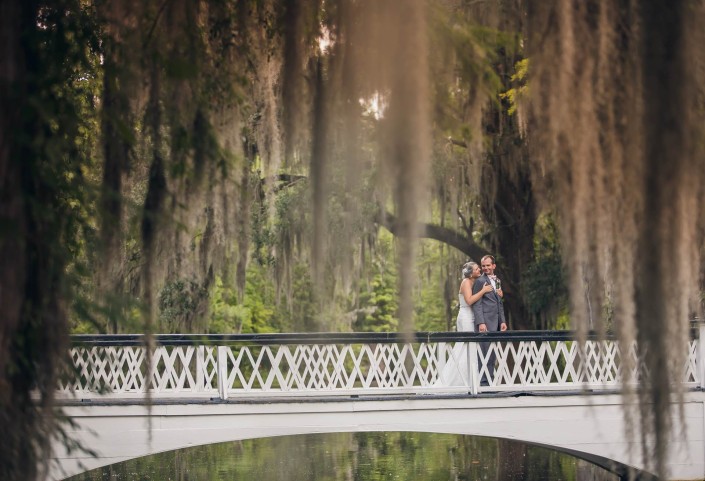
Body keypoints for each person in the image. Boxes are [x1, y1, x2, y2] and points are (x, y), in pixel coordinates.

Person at [437, 262, 492, 387]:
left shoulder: (477, 281)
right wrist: (483, 291)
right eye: (477, 269)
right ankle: (461, 382)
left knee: (472, 346)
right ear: (470, 273)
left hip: (473, 316)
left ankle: (472, 379)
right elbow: (469, 300)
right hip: (466, 316)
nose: (480, 270)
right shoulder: (466, 282)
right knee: (466, 346)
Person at [472, 255, 507, 386]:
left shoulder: (497, 280)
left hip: (496, 322)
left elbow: (499, 303)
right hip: (485, 322)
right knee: (484, 352)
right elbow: (477, 304)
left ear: (493, 266)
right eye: (483, 266)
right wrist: (481, 322)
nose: (485, 268)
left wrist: (502, 321)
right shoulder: (480, 281)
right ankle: (484, 383)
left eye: (488, 265)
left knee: (492, 353)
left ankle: (490, 381)